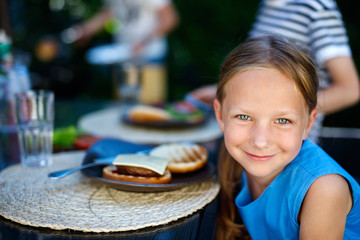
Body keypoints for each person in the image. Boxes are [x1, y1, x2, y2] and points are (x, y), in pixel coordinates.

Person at [213, 36, 360, 239]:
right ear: (220, 115)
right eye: (244, 117)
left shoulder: (324, 190)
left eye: (282, 121)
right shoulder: (235, 161)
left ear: (309, 123)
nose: (260, 141)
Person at [189, 0, 360, 143]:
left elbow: (349, 90)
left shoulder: (315, 7)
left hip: (291, 148)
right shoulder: (268, 5)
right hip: (255, 142)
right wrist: (220, 91)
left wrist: (283, 116)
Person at [63, 0, 179, 104]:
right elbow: (107, 14)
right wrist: (85, 30)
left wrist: (143, 43)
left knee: (151, 109)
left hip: (150, 58)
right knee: (124, 110)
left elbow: (170, 18)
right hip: (123, 57)